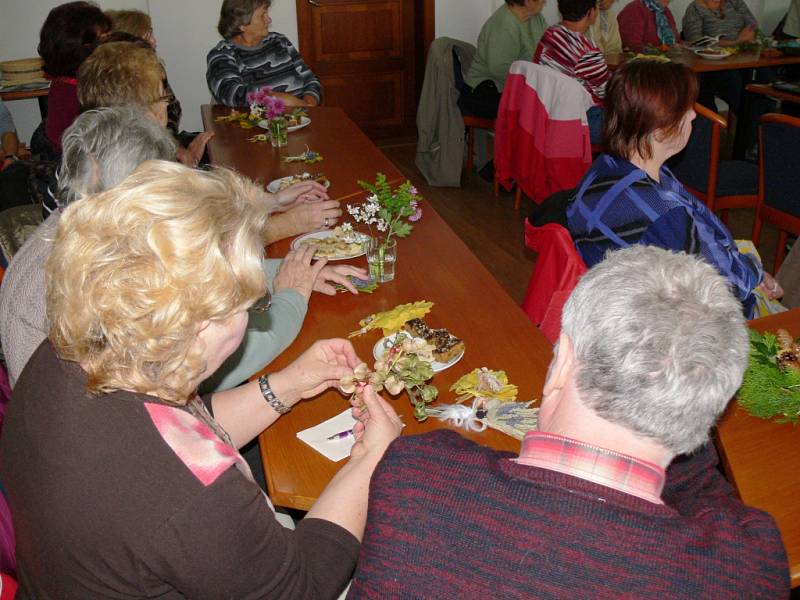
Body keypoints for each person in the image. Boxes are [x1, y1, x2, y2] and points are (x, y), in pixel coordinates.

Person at [0, 160, 403, 597]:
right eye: (246, 304)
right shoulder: (192, 493)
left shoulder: (67, 350)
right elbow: (301, 588)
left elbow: (181, 431)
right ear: (199, 327)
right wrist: (372, 459)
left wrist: (288, 384)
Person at [348, 245, 790, 598]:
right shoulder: (748, 567)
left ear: (561, 364)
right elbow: (714, 505)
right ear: (711, 406)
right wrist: (679, 417)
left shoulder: (416, 473)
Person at [0, 106, 360, 390]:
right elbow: (217, 361)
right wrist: (292, 296)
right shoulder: (107, 274)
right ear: (137, 192)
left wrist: (287, 270)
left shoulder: (71, 229)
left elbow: (196, 275)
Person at [566, 60, 782, 319]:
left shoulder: (605, 168)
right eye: (685, 109)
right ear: (658, 131)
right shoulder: (662, 212)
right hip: (681, 325)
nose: (693, 115)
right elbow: (726, 290)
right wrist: (754, 272)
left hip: (632, 299)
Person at [105, 9, 212, 167]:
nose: (154, 41)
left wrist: (179, 149)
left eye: (151, 33)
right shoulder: (122, 85)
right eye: (147, 36)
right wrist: (181, 155)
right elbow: (146, 136)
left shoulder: (153, 70)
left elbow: (168, 122)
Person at [207, 0, 321, 108]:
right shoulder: (223, 55)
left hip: (301, 118)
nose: (269, 19)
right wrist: (276, 99)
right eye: (262, 15)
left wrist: (308, 103)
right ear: (241, 24)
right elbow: (230, 94)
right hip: (261, 125)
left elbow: (309, 78)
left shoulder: (279, 41)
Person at [36, 1, 111, 157]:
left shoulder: (84, 82)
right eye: (103, 39)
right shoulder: (70, 91)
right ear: (77, 47)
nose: (111, 44)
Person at [534, 0, 610, 144]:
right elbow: (607, 92)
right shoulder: (587, 51)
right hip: (581, 122)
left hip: (547, 113)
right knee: (638, 121)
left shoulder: (550, 34)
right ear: (591, 13)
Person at [458, 0, 548, 120]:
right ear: (527, 1)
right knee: (536, 112)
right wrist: (534, 89)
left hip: (517, 87)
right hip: (487, 91)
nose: (545, 2)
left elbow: (548, 50)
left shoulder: (536, 18)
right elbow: (500, 69)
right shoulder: (505, 23)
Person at [682, 0, 760, 116]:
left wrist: (746, 36)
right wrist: (736, 41)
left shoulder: (735, 3)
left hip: (742, 59)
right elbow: (696, 43)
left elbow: (753, 25)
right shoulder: (695, 8)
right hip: (712, 66)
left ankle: (766, 124)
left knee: (763, 78)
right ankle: (751, 126)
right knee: (738, 88)